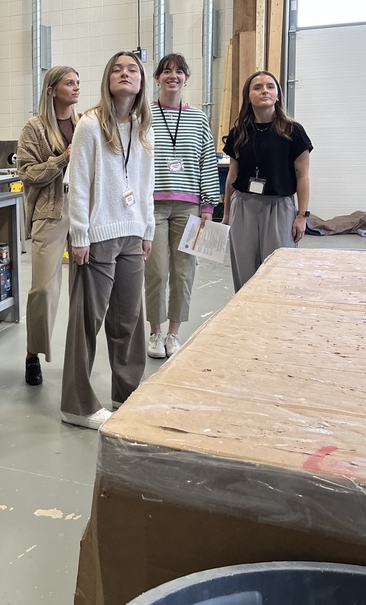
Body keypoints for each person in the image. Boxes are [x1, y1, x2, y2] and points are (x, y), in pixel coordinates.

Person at [61, 52, 155, 430]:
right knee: (86, 323)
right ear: (107, 79)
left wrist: (147, 228)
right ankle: (77, 405)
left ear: (141, 81)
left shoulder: (143, 127)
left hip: (132, 233)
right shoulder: (90, 125)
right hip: (97, 236)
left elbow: (146, 186)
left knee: (130, 322)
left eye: (132, 69)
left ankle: (127, 395)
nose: (125, 74)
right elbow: (78, 182)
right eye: (117, 69)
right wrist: (79, 234)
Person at [144, 54, 219, 360]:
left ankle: (173, 333)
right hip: (153, 207)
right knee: (156, 271)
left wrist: (208, 205)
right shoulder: (144, 115)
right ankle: (155, 332)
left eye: (179, 71)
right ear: (157, 78)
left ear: (187, 78)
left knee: (184, 271)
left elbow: (207, 162)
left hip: (188, 208)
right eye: (166, 71)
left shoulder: (199, 119)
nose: (172, 76)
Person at [16, 65, 80, 386]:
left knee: (84, 287)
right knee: (43, 287)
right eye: (70, 82)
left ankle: (81, 354)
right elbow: (26, 172)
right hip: (49, 211)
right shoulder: (35, 128)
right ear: (52, 89)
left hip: (82, 211)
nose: (76, 87)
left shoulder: (85, 125)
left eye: (78, 82)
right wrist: (62, 159)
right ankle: (33, 353)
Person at [222, 70, 312, 290]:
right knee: (245, 272)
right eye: (257, 87)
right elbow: (232, 176)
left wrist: (301, 215)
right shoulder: (239, 132)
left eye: (270, 86)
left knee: (278, 271)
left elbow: (303, 176)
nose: (264, 91)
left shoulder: (293, 131)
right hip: (243, 206)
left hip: (279, 207)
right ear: (248, 96)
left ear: (278, 95)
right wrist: (226, 214)